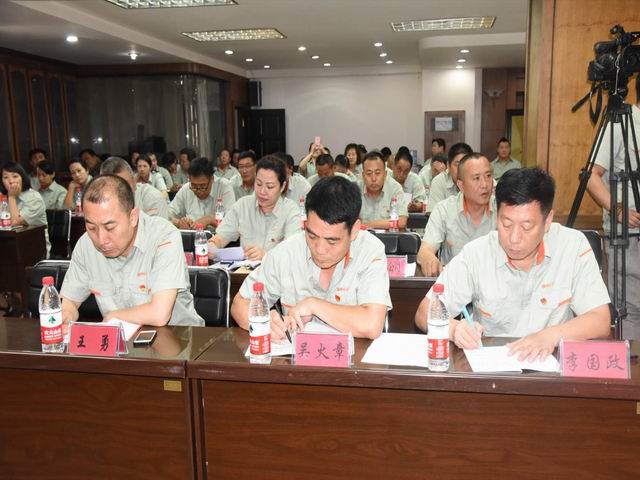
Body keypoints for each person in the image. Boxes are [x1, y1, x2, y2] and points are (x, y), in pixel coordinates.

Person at [415, 168, 611, 361]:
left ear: (547, 221)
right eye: (506, 224)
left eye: (527, 226)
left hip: (552, 367)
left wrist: (550, 336)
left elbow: (601, 320)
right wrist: (454, 329)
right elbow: (423, 313)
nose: (514, 238)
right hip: (493, 367)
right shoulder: (478, 253)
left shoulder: (572, 246)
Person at [231, 176, 391, 340]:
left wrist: (314, 305)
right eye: (312, 236)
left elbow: (371, 324)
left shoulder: (370, 250)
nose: (320, 249)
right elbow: (239, 305)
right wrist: (264, 323)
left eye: (331, 241)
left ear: (355, 230)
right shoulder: (287, 252)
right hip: (295, 354)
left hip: (353, 355)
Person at [60, 175, 203, 327]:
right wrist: (65, 316)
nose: (101, 240)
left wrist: (112, 317)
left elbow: (159, 314)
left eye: (110, 227)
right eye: (91, 227)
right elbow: (70, 302)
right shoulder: (86, 245)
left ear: (133, 217)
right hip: (121, 339)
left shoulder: (163, 236)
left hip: (177, 335)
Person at [586, 75, 640, 339]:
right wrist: (618, 210)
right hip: (629, 237)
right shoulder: (621, 123)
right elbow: (590, 176)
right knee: (630, 311)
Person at [417, 153, 496, 276]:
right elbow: (425, 251)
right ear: (461, 186)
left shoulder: (502, 209)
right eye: (476, 178)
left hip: (492, 281)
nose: (484, 185)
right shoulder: (444, 210)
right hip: (453, 281)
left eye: (488, 176)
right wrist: (429, 258)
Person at [209, 156, 301, 261]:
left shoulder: (291, 211)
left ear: (282, 186)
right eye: (259, 184)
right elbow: (220, 238)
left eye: (270, 187)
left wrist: (265, 255)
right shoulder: (242, 206)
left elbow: (292, 253)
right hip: (244, 271)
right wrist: (212, 246)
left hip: (276, 270)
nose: (262, 191)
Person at [169, 157, 235, 230]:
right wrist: (179, 222)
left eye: (202, 186)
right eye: (194, 186)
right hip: (192, 235)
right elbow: (168, 214)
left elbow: (231, 219)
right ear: (189, 179)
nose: (198, 190)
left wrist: (209, 219)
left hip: (219, 236)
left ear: (212, 179)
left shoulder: (224, 187)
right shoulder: (186, 189)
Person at [1, 162, 50, 254]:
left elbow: (15, 223)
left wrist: (12, 197)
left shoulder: (34, 198)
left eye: (15, 176)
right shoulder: (2, 197)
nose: (11, 181)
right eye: (6, 177)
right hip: (9, 245)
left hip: (34, 248)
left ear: (23, 178)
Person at [100, 156, 169, 219]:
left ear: (133, 181)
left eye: (126, 184)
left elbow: (157, 228)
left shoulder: (152, 196)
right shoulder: (102, 204)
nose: (122, 191)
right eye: (116, 189)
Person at [358, 151, 408, 229]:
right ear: (363, 175)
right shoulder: (356, 189)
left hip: (388, 236)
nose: (373, 178)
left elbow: (401, 222)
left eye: (377, 173)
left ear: (385, 174)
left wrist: (367, 225)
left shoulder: (395, 188)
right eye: (369, 173)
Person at [427, 142, 473, 212]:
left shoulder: (479, 181)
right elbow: (433, 214)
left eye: (466, 165)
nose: (462, 169)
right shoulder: (439, 181)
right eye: (457, 164)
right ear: (448, 165)